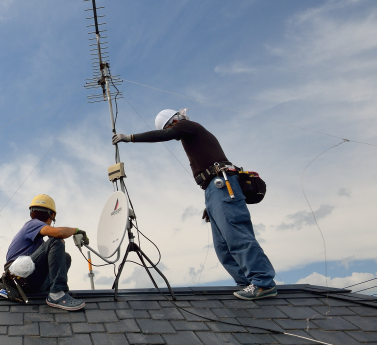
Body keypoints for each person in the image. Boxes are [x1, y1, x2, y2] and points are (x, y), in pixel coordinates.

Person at [113, 109, 277, 300]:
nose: (173, 134)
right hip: (214, 189)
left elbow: (166, 134)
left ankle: (262, 282)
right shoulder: (189, 134)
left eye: (170, 127)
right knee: (222, 245)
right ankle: (246, 282)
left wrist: (129, 137)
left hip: (223, 184)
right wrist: (211, 203)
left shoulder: (187, 125)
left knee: (236, 235)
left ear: (174, 121)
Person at [2, 194, 86, 310]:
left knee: (64, 257)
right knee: (55, 240)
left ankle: (52, 292)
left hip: (26, 280)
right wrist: (76, 230)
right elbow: (58, 233)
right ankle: (57, 293)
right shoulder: (32, 224)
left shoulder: (38, 240)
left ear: (32, 212)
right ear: (52, 215)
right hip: (17, 277)